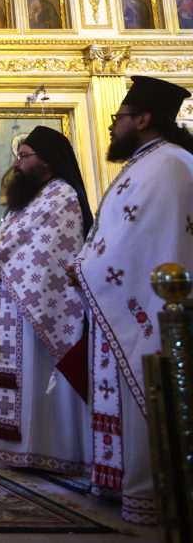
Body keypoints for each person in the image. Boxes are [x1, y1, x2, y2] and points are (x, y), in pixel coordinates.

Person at [69, 76, 193, 525]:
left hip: (149, 307)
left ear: (142, 119)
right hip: (121, 298)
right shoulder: (149, 162)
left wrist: (85, 266)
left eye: (118, 117)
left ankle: (150, 491)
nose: (112, 125)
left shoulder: (170, 164)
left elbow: (145, 239)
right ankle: (121, 482)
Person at [0, 126, 92, 475]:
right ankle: (18, 449)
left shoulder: (62, 196)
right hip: (14, 301)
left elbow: (44, 251)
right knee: (20, 376)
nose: (16, 163)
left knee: (38, 376)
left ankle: (50, 450)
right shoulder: (29, 199)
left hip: (40, 304)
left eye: (24, 156)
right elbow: (10, 240)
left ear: (46, 161)